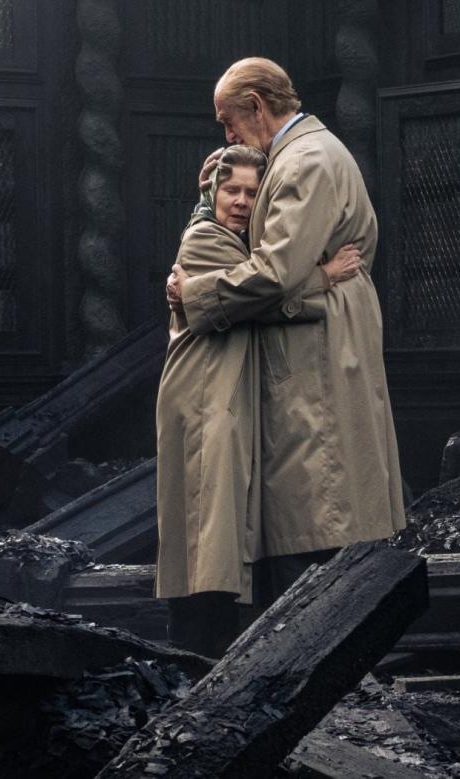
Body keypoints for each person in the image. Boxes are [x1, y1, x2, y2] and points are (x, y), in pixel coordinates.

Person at [166, 57, 406, 604]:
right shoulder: (302, 154)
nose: (226, 134)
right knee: (319, 495)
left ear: (256, 105)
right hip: (320, 331)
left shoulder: (304, 161)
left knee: (316, 497)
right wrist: (213, 189)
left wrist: (195, 293)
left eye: (229, 122)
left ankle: (314, 642)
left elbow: (275, 273)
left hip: (316, 344)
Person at [155, 144, 360, 657]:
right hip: (203, 396)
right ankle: (196, 646)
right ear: (212, 193)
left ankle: (214, 644)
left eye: (252, 192)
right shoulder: (205, 239)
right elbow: (263, 292)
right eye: (231, 190)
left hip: (224, 392)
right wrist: (323, 276)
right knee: (208, 520)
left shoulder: (238, 242)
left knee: (220, 521)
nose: (242, 201)